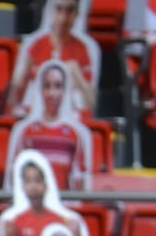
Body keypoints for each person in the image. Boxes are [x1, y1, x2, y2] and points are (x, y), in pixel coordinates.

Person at [7, 0, 99, 114]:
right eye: (59, 9)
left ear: (77, 14)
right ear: (50, 10)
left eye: (70, 10)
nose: (63, 17)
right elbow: (14, 95)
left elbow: (91, 106)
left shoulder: (84, 48)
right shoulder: (35, 44)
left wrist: (77, 75)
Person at [6, 61, 94, 193]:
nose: (52, 93)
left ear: (65, 90)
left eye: (58, 86)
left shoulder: (78, 133)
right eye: (47, 86)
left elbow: (81, 181)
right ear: (40, 89)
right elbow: (14, 177)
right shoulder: (24, 131)